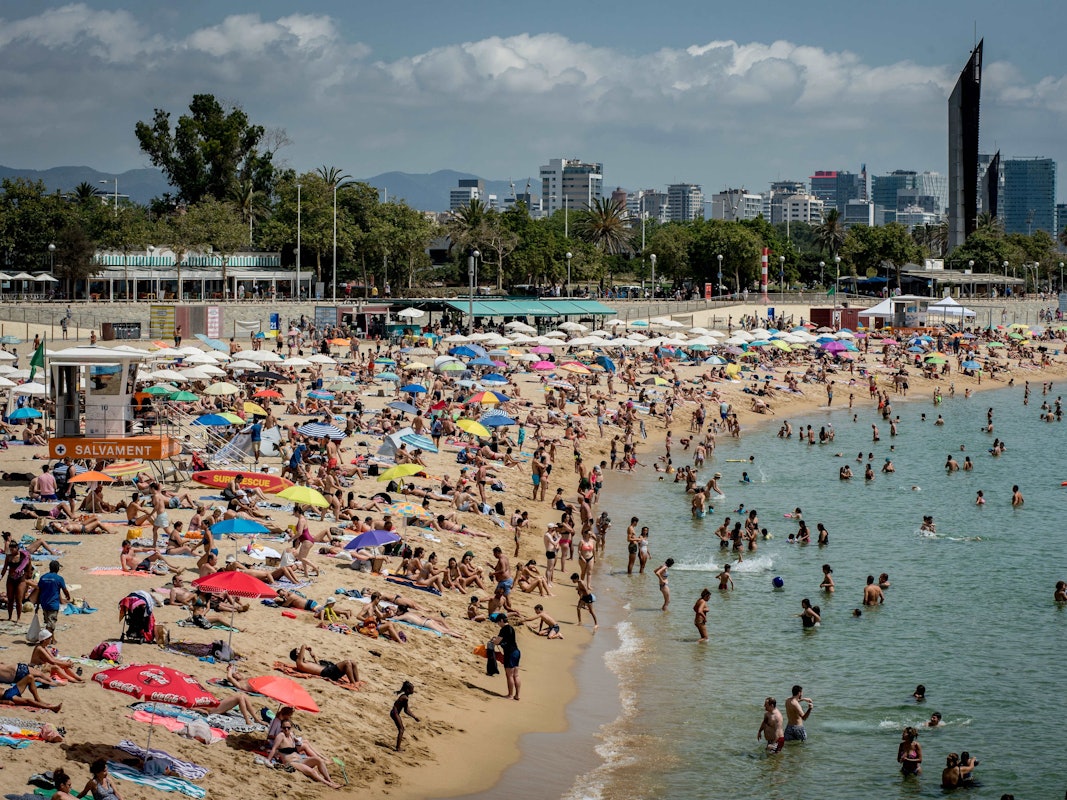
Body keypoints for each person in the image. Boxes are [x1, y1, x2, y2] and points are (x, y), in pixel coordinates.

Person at [268, 718, 342, 788]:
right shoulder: (281, 736)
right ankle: (330, 784)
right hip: (291, 762)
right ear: (281, 727)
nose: (286, 729)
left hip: (300, 759)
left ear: (291, 727)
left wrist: (297, 740)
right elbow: (274, 749)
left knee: (318, 760)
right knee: (312, 772)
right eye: (284, 728)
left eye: (288, 728)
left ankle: (329, 780)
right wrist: (268, 761)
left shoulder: (291, 735)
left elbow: (297, 744)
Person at [33, 559, 71, 642]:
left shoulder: (43, 577)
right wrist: (68, 596)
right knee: (51, 624)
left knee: (48, 622)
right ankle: (46, 640)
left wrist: (37, 605)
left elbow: (39, 591)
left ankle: (52, 639)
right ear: (57, 568)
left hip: (44, 604)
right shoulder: (59, 578)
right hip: (53, 604)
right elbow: (65, 590)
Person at [288, 644, 360, 684]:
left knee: (352, 662)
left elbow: (318, 665)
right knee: (347, 663)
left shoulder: (305, 662)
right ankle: (353, 684)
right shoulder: (299, 663)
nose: (301, 651)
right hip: (326, 672)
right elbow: (303, 645)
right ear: (297, 654)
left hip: (328, 670)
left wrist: (313, 656)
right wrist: (305, 647)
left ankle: (357, 682)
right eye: (298, 650)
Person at [490, 612, 521, 700]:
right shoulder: (511, 628)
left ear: (501, 620)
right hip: (516, 651)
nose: (498, 624)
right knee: (516, 675)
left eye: (498, 622)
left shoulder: (504, 629)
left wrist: (493, 640)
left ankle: (510, 695)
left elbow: (497, 642)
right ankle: (517, 695)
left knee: (509, 675)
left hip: (510, 653)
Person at [390, 680, 419, 751]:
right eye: (412, 689)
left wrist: (414, 717)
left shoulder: (404, 696)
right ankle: (398, 748)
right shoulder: (405, 698)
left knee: (401, 729)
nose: (413, 691)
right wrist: (414, 717)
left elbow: (406, 709)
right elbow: (406, 710)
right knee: (401, 729)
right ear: (408, 690)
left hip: (394, 713)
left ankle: (398, 747)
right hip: (395, 713)